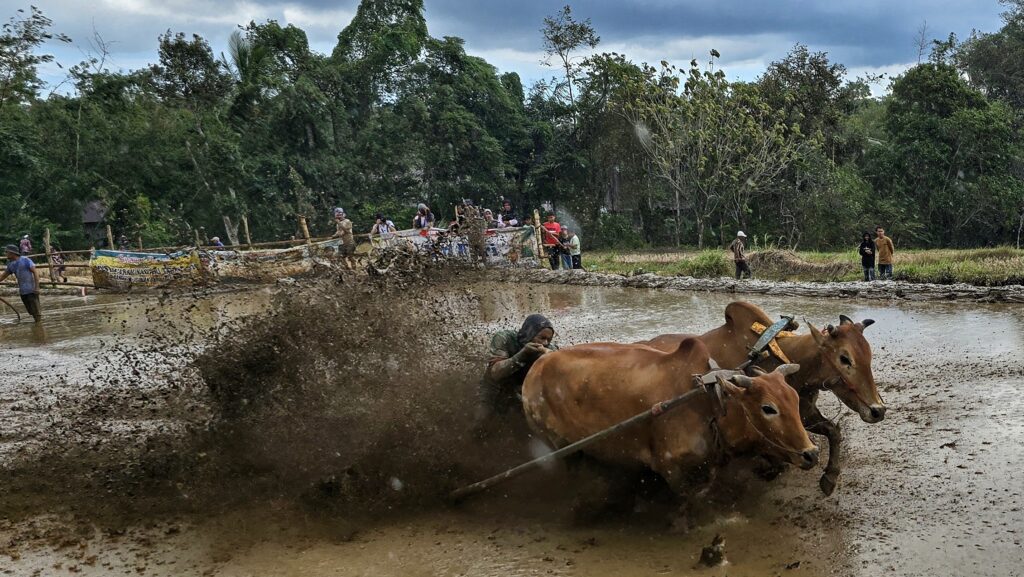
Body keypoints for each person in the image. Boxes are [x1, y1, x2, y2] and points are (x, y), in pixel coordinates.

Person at [475, 314, 558, 430]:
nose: (545, 343)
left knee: (529, 427)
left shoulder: (551, 350)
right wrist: (522, 355)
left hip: (519, 392)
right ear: (529, 334)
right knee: (482, 419)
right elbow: (496, 373)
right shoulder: (505, 339)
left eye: (548, 339)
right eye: (541, 337)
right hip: (494, 388)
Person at [0, 245, 41, 322]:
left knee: (37, 312)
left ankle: (39, 328)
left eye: (7, 252)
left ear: (12, 253)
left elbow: (35, 272)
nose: (5, 254)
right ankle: (37, 326)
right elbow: (3, 276)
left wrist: (37, 287)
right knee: (31, 311)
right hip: (23, 291)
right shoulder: (11, 264)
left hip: (31, 290)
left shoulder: (25, 260)